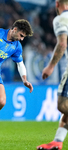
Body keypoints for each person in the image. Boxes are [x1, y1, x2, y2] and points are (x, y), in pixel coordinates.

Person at [37, 0, 68, 150]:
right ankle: (57, 141)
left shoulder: (62, 18)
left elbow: (62, 44)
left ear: (57, 4)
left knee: (63, 105)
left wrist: (50, 66)